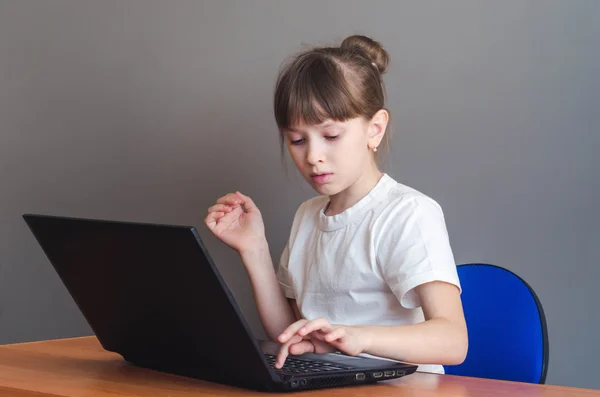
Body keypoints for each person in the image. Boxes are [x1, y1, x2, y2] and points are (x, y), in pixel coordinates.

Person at [205, 35, 468, 374]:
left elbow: (453, 340)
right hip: (331, 382)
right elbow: (285, 332)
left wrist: (359, 338)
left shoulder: (408, 214)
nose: (313, 156)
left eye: (331, 136)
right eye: (297, 140)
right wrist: (254, 249)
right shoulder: (308, 216)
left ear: (375, 129)